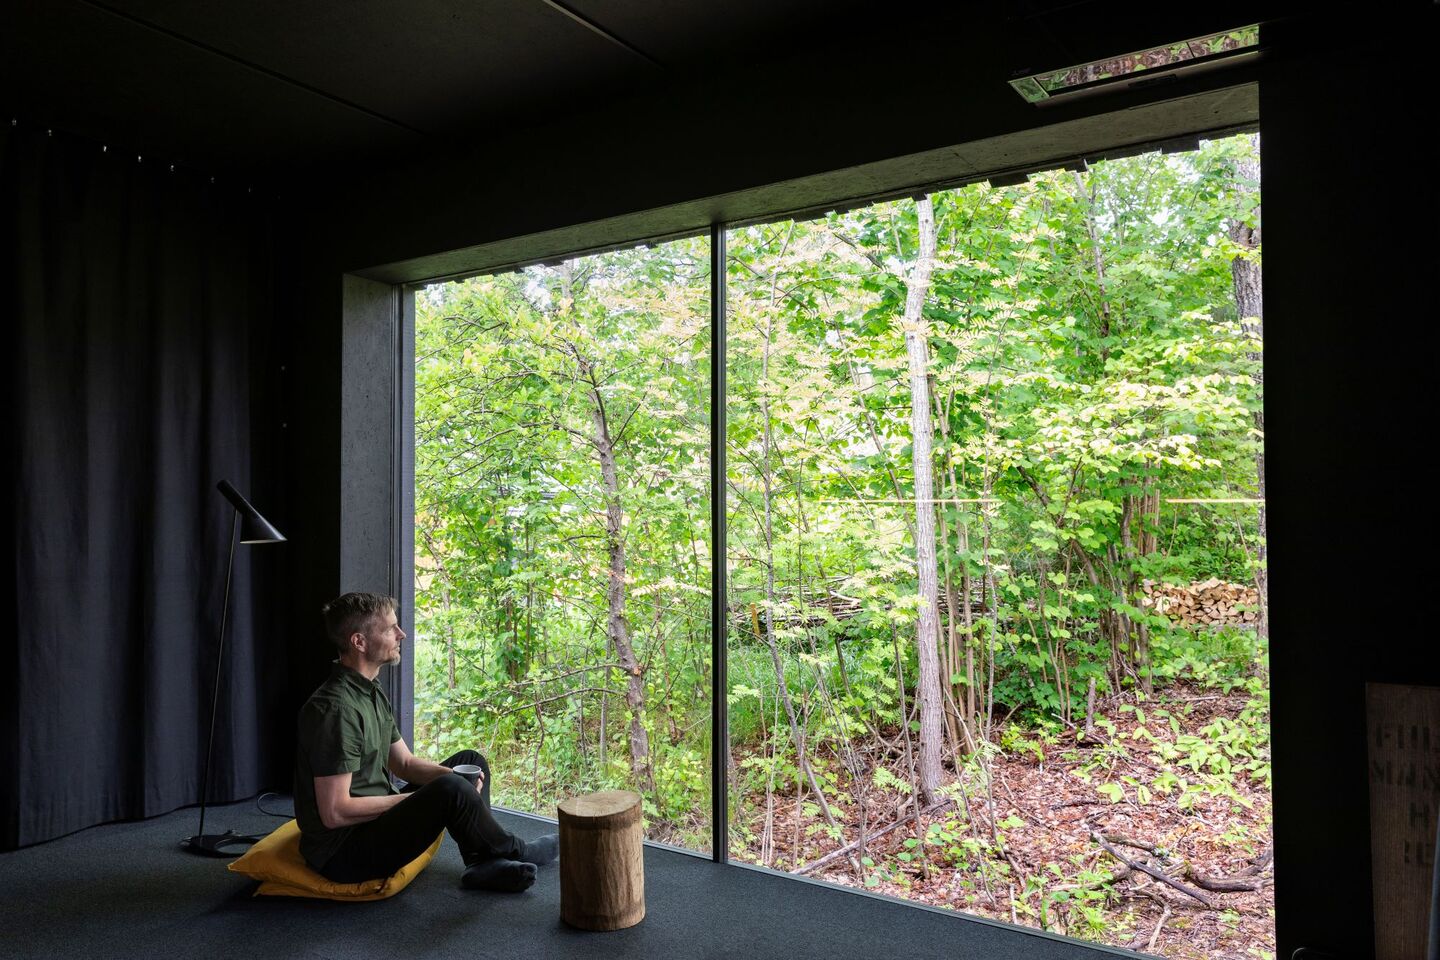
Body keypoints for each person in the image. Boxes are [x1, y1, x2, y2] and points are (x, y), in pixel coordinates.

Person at [295, 591, 558, 892]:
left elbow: (404, 763)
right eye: (389, 629)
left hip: (372, 826)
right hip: (343, 852)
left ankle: (481, 862)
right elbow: (335, 812)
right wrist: (425, 797)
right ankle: (516, 850)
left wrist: (454, 779)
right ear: (359, 642)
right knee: (449, 788)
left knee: (469, 763)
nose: (401, 634)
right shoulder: (336, 710)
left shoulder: (369, 690)